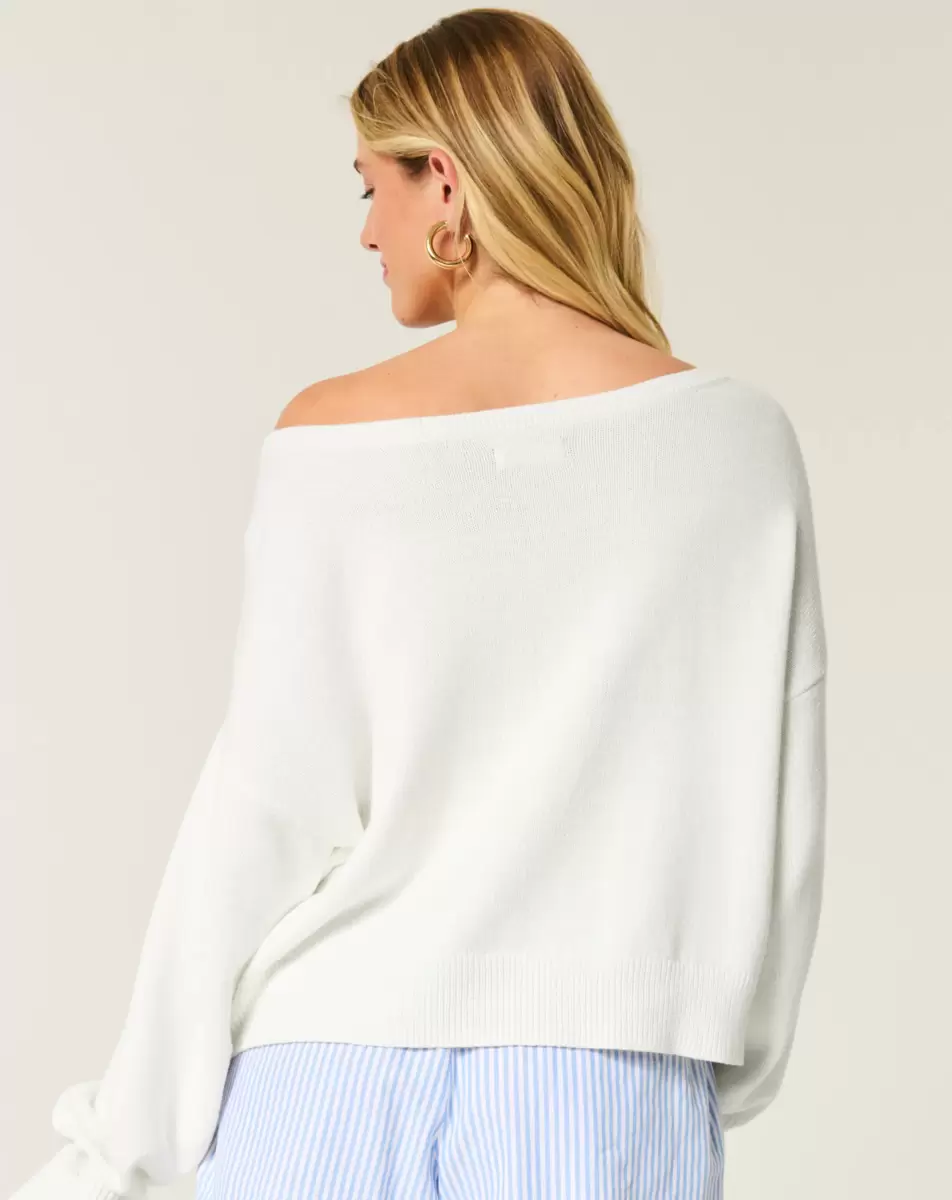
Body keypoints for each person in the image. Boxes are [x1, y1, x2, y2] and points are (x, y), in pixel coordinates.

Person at [10, 8, 827, 1200]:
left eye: (370, 187)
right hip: (603, 1088)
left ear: (443, 181)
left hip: (316, 1077)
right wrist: (693, 1061)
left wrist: (118, 1148)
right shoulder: (740, 445)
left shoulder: (331, 439)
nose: (364, 231)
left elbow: (266, 806)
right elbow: (775, 807)